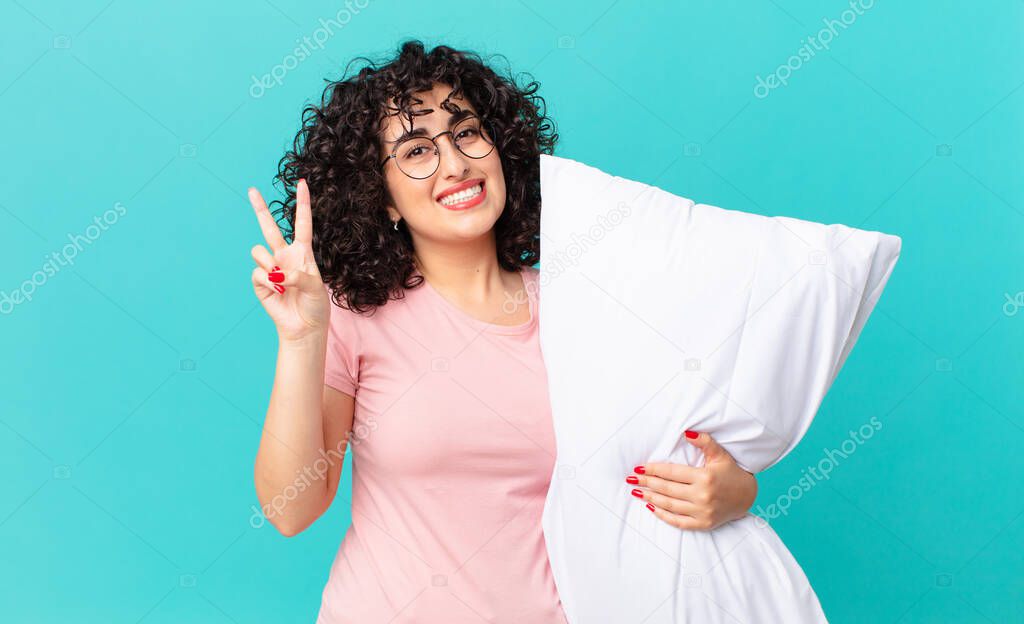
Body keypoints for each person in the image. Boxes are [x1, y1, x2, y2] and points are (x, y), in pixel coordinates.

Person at [247, 40, 758, 623]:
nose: (456, 164)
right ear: (380, 196)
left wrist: (736, 493)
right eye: (416, 150)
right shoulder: (353, 316)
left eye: (466, 132)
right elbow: (292, 510)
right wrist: (300, 339)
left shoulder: (587, 307)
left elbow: (671, 460)